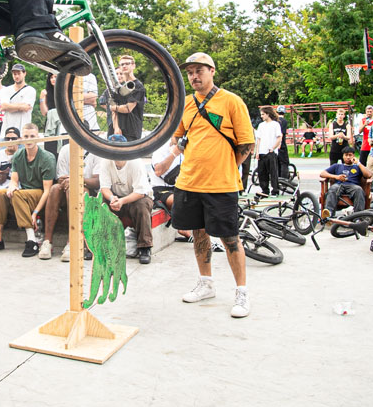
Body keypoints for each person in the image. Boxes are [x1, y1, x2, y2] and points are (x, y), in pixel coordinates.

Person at [172, 52, 255, 319]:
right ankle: (206, 283)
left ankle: (241, 291)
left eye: (199, 71)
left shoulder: (231, 101)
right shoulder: (184, 104)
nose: (194, 76)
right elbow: (178, 138)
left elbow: (246, 144)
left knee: (230, 237)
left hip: (221, 184)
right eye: (190, 72)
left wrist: (228, 165)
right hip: (189, 180)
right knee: (198, 233)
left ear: (212, 71)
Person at [0, 121, 56, 256]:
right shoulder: (18, 156)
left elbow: (47, 191)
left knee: (17, 195)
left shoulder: (47, 157)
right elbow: (14, 181)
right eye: (26, 136)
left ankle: (32, 240)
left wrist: (35, 212)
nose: (29, 140)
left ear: (38, 137)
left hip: (40, 193)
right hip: (23, 192)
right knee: (0, 193)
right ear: (22, 138)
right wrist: (11, 187)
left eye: (32, 136)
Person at [97, 153, 155, 264]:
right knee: (100, 202)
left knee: (141, 206)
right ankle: (99, 244)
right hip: (117, 196)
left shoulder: (135, 162)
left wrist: (122, 201)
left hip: (137, 196)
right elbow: (104, 187)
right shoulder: (105, 161)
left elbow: (140, 192)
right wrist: (111, 198)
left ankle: (145, 247)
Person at [106, 55, 145, 142]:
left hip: (131, 131)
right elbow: (113, 107)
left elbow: (128, 108)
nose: (124, 66)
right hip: (115, 130)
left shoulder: (138, 86)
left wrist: (115, 107)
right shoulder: (118, 87)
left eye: (127, 63)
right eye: (122, 64)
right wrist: (116, 127)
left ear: (133, 66)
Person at [318, 150, 369, 216]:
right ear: (343, 156)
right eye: (346, 155)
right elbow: (322, 174)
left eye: (350, 155)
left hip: (353, 186)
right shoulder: (337, 166)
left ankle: (358, 216)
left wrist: (358, 163)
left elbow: (369, 175)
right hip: (339, 185)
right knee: (333, 189)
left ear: (353, 156)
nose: (348, 157)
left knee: (358, 190)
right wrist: (336, 177)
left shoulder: (357, 167)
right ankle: (329, 213)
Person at [0, 64, 36, 140]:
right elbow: (3, 106)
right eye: (14, 74)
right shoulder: (6, 90)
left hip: (22, 134)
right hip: (6, 133)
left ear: (24, 73)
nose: (16, 76)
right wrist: (20, 106)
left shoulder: (30, 90)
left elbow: (26, 108)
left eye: (19, 73)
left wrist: (9, 106)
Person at [254, 107, 283, 196]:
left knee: (273, 172)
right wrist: (257, 152)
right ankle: (264, 189)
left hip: (270, 152)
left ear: (268, 114)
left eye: (263, 114)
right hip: (262, 151)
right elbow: (258, 139)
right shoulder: (261, 125)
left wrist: (273, 148)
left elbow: (279, 137)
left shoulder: (275, 124)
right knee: (262, 172)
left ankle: (275, 190)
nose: (261, 116)